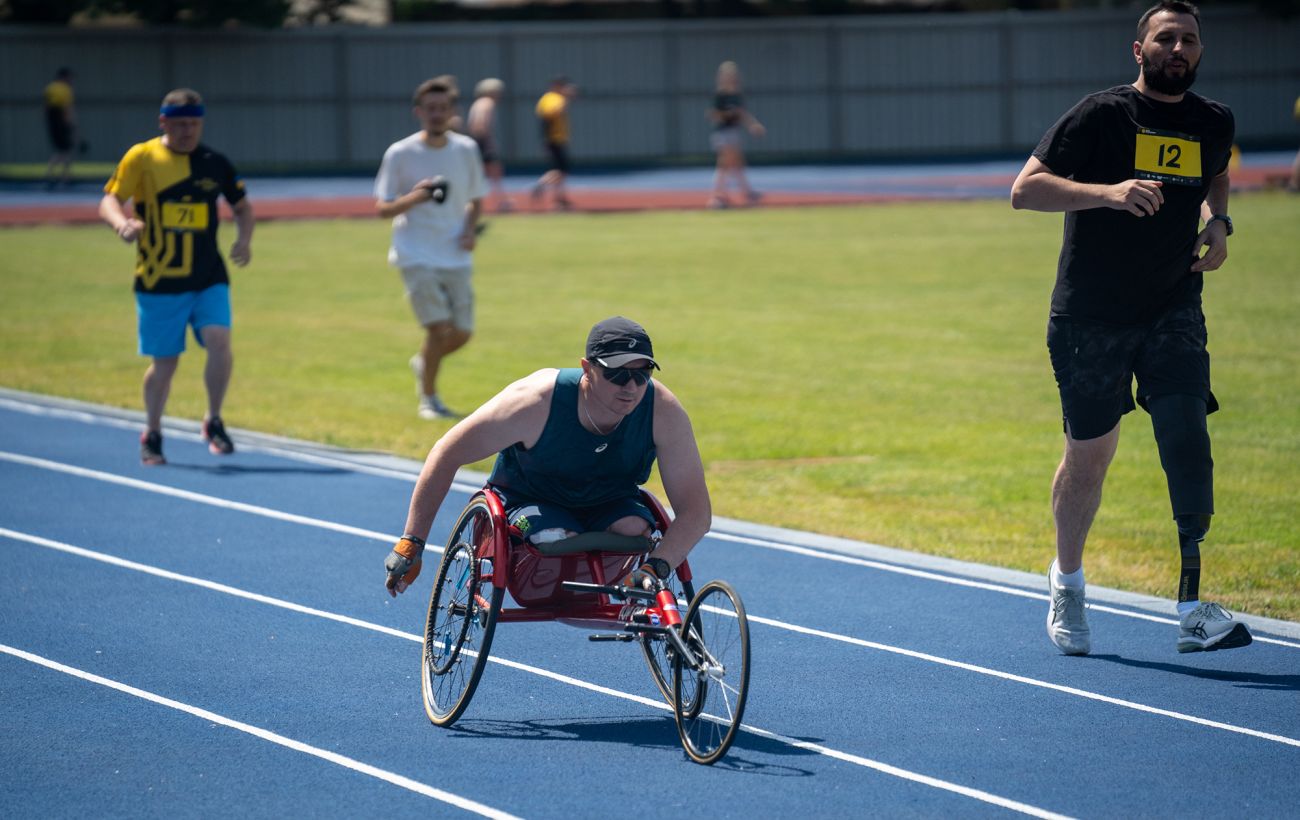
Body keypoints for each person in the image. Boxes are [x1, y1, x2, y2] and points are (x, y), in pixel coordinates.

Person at [1011, 0, 1251, 655]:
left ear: (1200, 51)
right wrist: (1109, 193)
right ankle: (1067, 579)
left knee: (1186, 433)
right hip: (1091, 314)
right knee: (1089, 459)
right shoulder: (1101, 116)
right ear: (1139, 50)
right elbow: (1025, 190)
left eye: (1189, 39)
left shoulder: (1213, 120)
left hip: (1173, 305)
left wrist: (1219, 222)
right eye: (1166, 38)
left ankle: (1193, 606)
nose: (1179, 49)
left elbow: (1217, 171)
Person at [383, 316, 711, 601]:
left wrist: (656, 567)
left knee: (635, 528)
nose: (631, 387)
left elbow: (696, 511)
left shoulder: (662, 411)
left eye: (642, 374)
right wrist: (412, 542)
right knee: (552, 536)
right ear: (587, 369)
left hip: (608, 499)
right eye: (617, 374)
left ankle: (607, 591)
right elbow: (447, 452)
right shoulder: (535, 402)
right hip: (530, 499)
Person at [99, 88, 254, 466]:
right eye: (180, 124)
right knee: (165, 363)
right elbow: (110, 199)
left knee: (219, 340)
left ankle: (213, 419)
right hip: (159, 279)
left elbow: (242, 207)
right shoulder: (142, 157)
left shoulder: (214, 162)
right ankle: (152, 431)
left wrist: (243, 240)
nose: (188, 131)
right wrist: (122, 224)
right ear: (163, 123)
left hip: (208, 275)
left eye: (194, 124)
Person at [375, 76, 487, 420]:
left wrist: (469, 232)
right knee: (438, 329)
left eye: (443, 108)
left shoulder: (465, 149)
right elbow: (383, 209)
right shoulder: (400, 153)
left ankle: (424, 361)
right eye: (430, 108)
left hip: (455, 253)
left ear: (452, 112)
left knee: (462, 333)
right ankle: (429, 399)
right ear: (419, 112)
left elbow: (476, 199)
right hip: (415, 253)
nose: (436, 114)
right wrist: (416, 197)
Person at [707, 61, 765, 210]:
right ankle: (718, 197)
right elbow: (713, 115)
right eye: (727, 76)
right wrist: (727, 114)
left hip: (734, 132)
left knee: (737, 164)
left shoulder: (736, 95)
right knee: (724, 164)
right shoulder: (720, 96)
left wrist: (753, 125)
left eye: (732, 75)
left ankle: (746, 193)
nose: (730, 78)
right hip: (723, 133)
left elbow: (742, 114)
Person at [531, 76, 578, 211]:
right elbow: (550, 113)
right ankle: (543, 185)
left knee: (561, 172)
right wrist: (565, 99)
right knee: (560, 170)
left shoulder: (553, 98)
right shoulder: (552, 98)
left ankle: (560, 199)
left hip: (557, 139)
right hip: (554, 139)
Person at [468, 78, 513, 212]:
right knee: (495, 172)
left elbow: (472, 125)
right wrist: (488, 142)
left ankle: (474, 201)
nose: (500, 94)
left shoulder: (477, 103)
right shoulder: (488, 102)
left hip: (476, 140)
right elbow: (480, 124)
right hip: (482, 141)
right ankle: (502, 202)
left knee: (478, 173)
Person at [43, 67, 77, 189]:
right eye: (70, 77)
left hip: (52, 121)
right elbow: (67, 108)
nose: (71, 80)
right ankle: (54, 176)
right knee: (63, 150)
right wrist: (70, 123)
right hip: (61, 122)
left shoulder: (49, 88)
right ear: (64, 77)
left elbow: (46, 107)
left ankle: (65, 177)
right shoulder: (65, 89)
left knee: (63, 150)